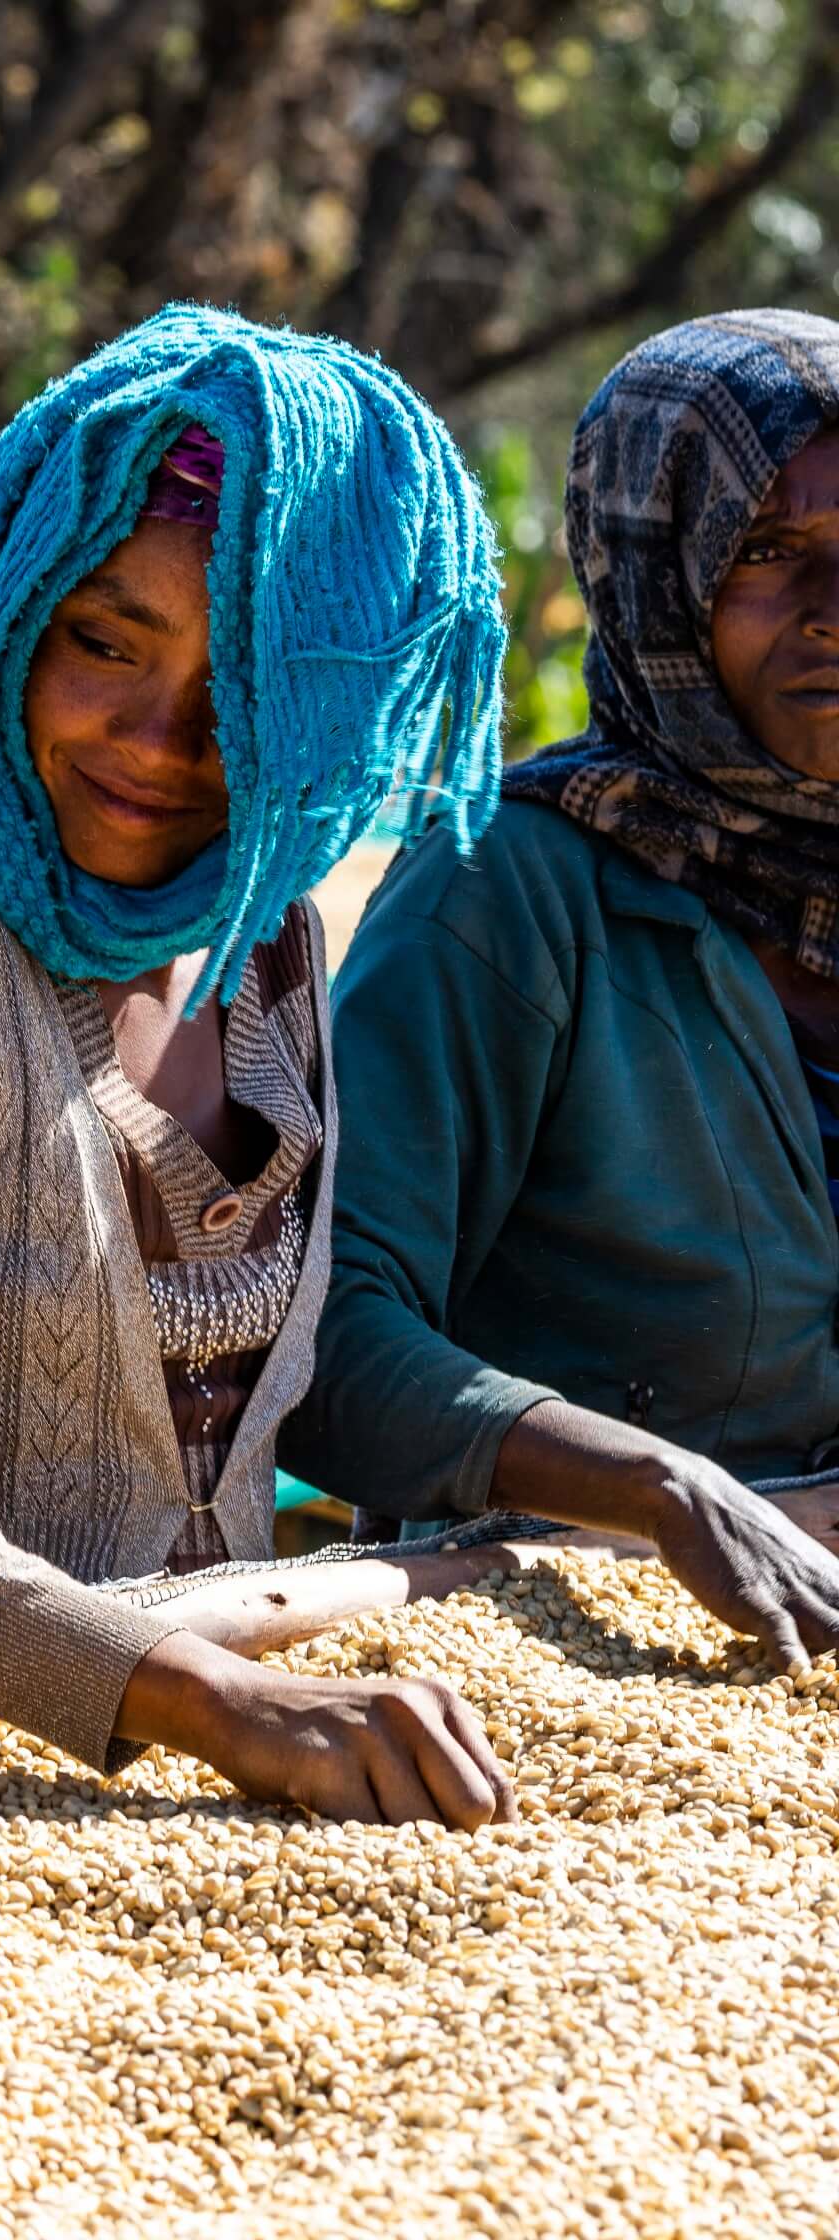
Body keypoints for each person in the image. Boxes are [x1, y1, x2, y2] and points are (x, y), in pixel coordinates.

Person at [0, 304, 520, 1827]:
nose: (162, 741)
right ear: (6, 608)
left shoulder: (266, 931)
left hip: (219, 1778)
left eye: (253, 696)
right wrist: (221, 1704)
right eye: (103, 640)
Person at [288, 309, 839, 1669]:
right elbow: (317, 1343)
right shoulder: (510, 888)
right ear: (656, 566)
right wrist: (651, 1485)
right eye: (767, 553)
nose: (834, 613)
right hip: (558, 1627)